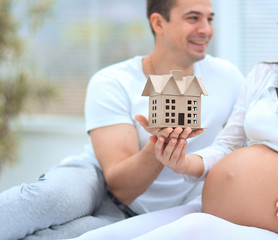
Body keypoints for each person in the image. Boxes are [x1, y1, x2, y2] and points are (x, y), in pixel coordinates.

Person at [69, 0, 278, 239]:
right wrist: (183, 163)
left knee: (186, 231)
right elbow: (228, 146)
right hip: (208, 209)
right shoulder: (266, 76)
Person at [0, 0, 244, 239]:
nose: (206, 29)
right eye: (193, 18)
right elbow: (119, 185)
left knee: (69, 235)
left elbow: (250, 138)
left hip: (148, 212)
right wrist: (158, 146)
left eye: (209, 19)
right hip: (97, 178)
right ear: (158, 23)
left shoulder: (228, 77)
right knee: (53, 199)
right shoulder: (113, 81)